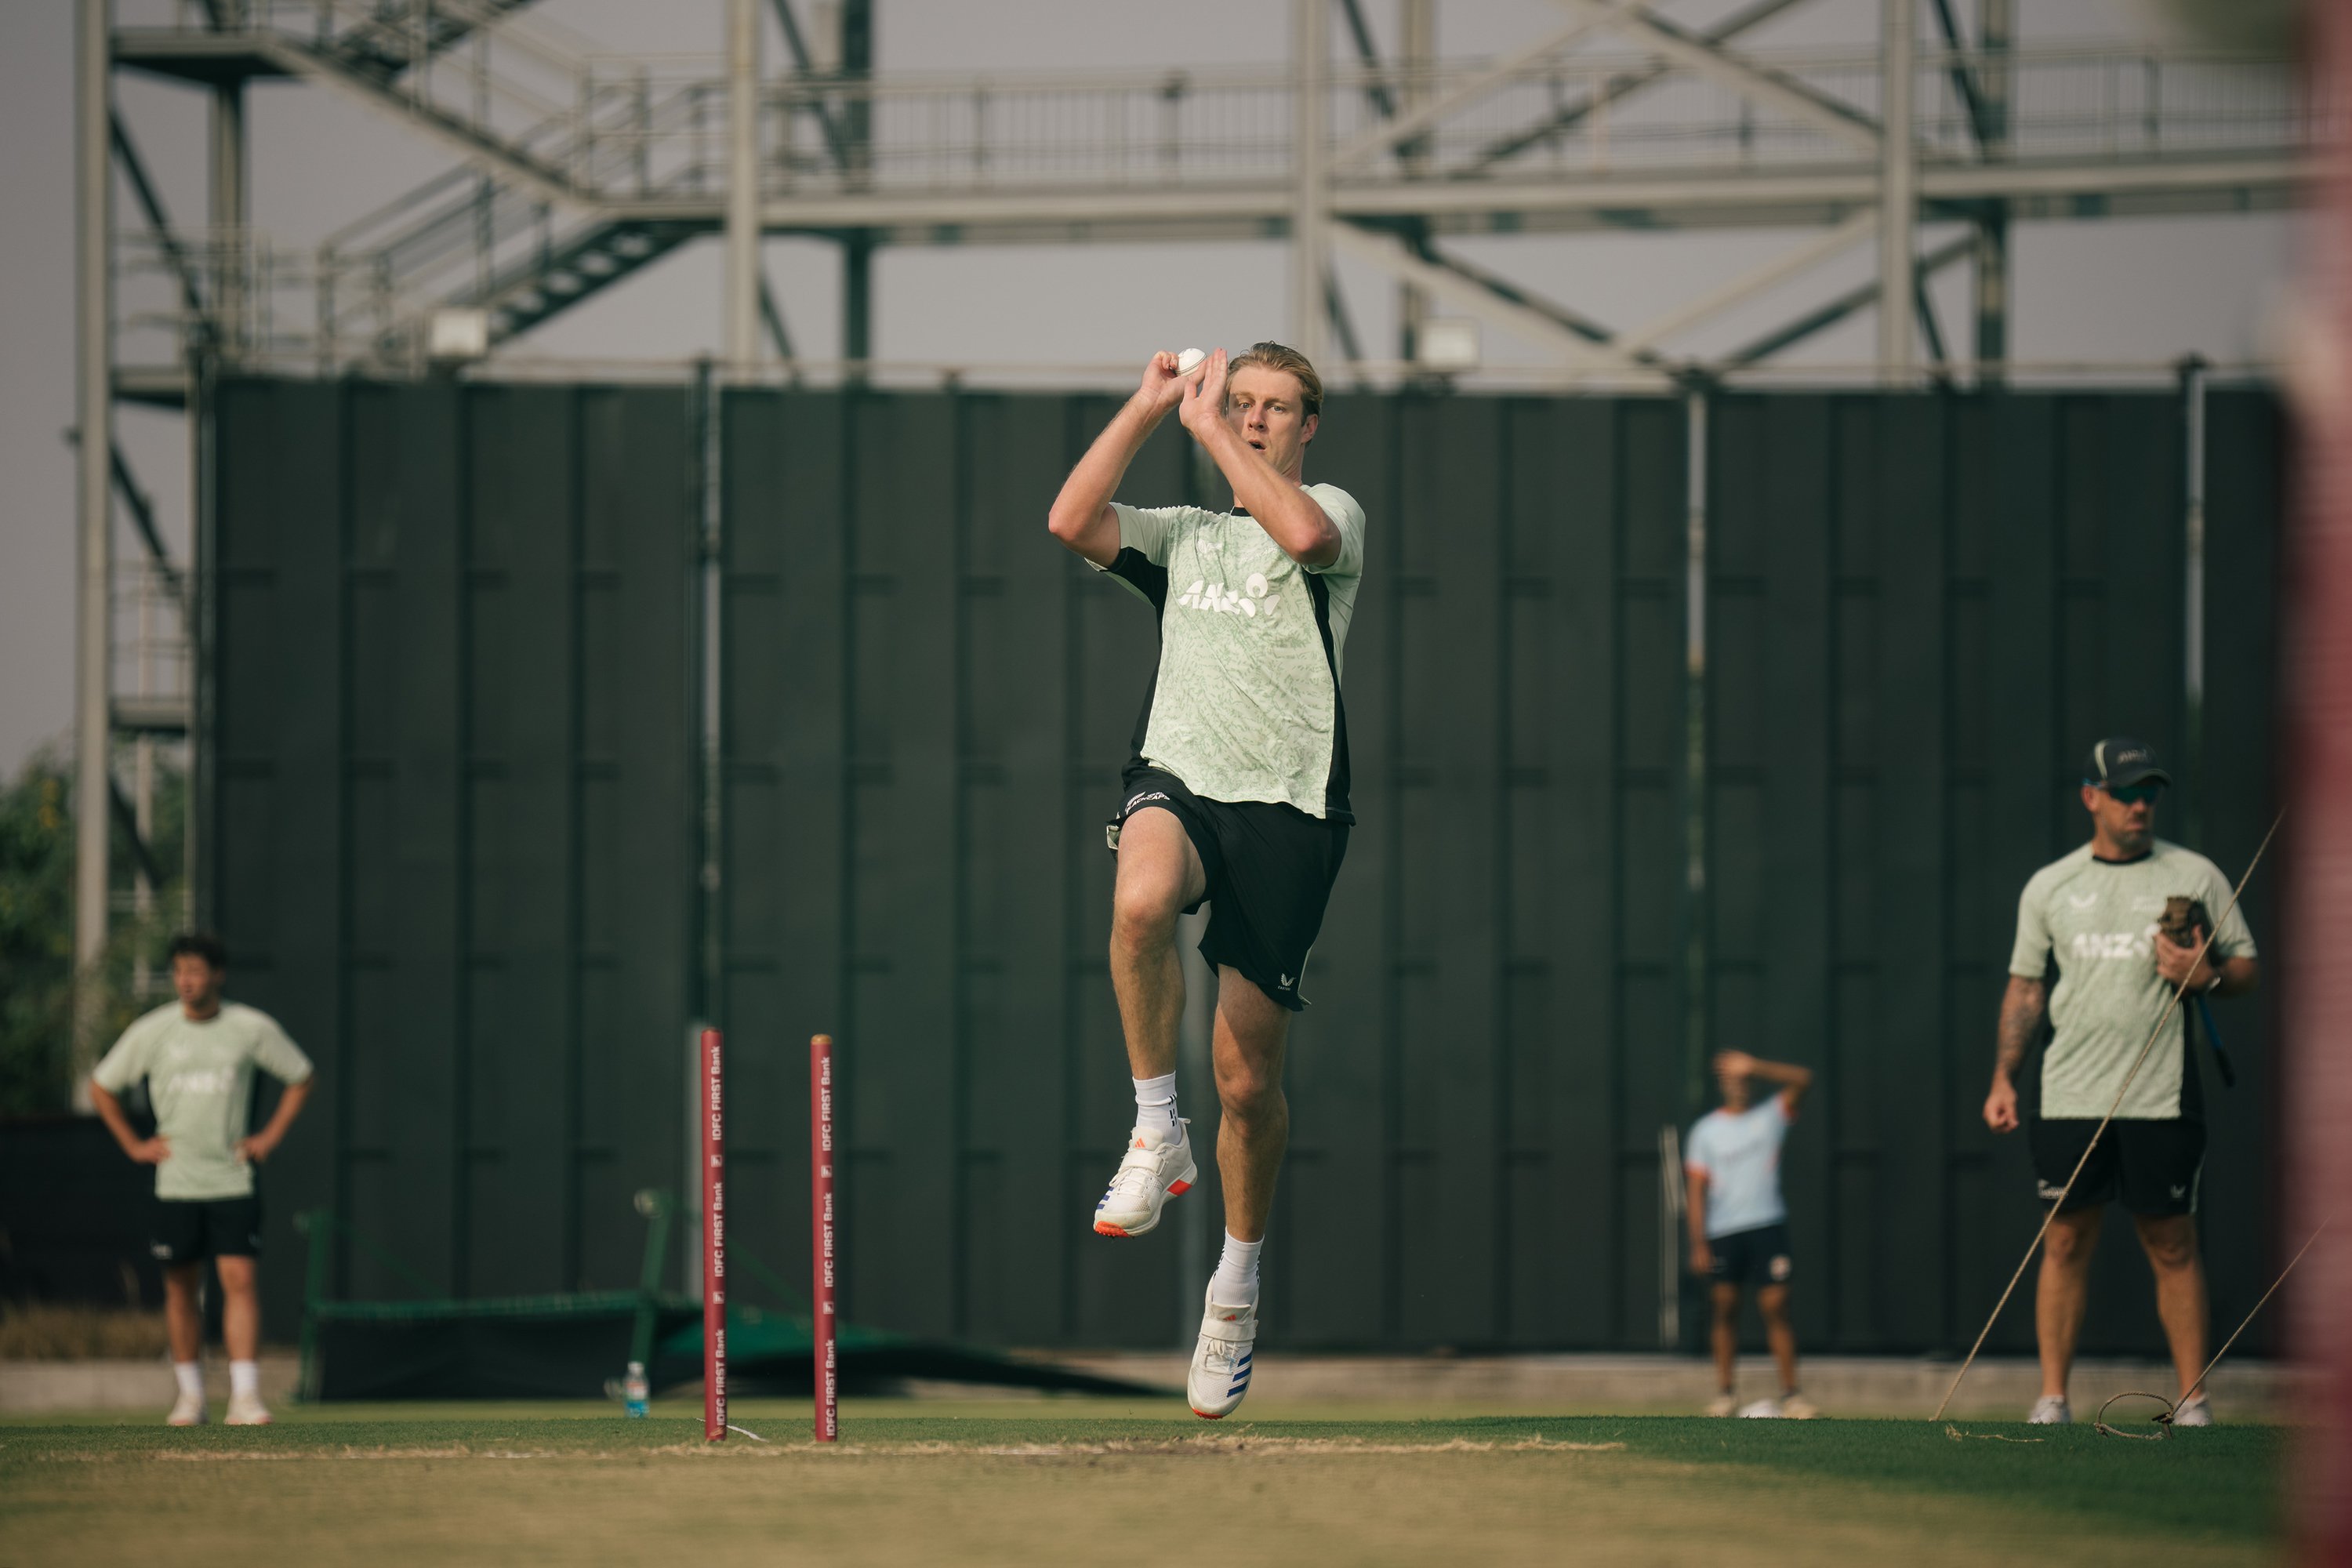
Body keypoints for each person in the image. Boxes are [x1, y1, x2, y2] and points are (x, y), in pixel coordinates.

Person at [1045, 342, 1364, 1419]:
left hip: (1289, 807)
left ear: (1306, 425)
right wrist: (1146, 406)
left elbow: (1307, 534)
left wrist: (1212, 429)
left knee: (1247, 1081)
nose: (1258, 418)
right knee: (1137, 903)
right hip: (1181, 777)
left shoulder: (1331, 516)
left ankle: (1235, 1284)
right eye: (1244, 404)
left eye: (1277, 408)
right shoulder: (1186, 540)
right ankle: (1150, 1127)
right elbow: (1070, 521)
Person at [1982, 736, 2258, 1426]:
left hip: (2162, 1095)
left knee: (2172, 1243)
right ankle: (2052, 1400)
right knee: (2066, 1240)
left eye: (2150, 793)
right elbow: (2025, 989)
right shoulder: (2052, 886)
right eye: (2127, 792)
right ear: (2092, 798)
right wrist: (2003, 1079)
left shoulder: (2196, 876)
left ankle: (2193, 1403)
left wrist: (2206, 977)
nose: (2141, 805)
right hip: (2070, 1091)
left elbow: (2244, 966)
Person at [89, 932, 314, 1427]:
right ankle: (191, 1398)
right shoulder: (153, 1031)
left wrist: (268, 1137)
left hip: (232, 1180)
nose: (186, 981)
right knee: (179, 1288)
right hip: (176, 1184)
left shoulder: (249, 1027)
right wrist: (134, 1144)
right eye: (179, 972)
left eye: (195, 971)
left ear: (217, 974)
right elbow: (102, 1086)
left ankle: (246, 1398)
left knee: (240, 1281)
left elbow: (301, 1075)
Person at [1685, 1050, 1817, 1419]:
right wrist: (1698, 1242)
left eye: (1744, 1079)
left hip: (1767, 1225)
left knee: (1776, 1307)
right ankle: (1725, 1393)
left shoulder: (1770, 1116)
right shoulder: (1705, 1131)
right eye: (1732, 1079)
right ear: (1722, 1085)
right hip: (1724, 1231)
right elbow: (1695, 1190)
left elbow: (1803, 1078)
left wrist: (1756, 1065)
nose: (1738, 1085)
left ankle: (1792, 1394)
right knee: (1725, 1307)